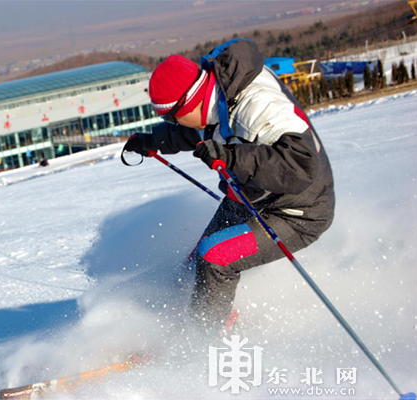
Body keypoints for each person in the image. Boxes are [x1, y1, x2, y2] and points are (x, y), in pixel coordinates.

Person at [124, 38, 335, 333]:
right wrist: (152, 140)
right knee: (196, 260)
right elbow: (199, 130)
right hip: (251, 196)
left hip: (297, 212)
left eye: (170, 117)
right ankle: (176, 321)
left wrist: (232, 157)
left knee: (216, 257)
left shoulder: (258, 105)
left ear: (188, 102)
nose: (172, 122)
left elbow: (301, 165)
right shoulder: (216, 93)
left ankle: (201, 339)